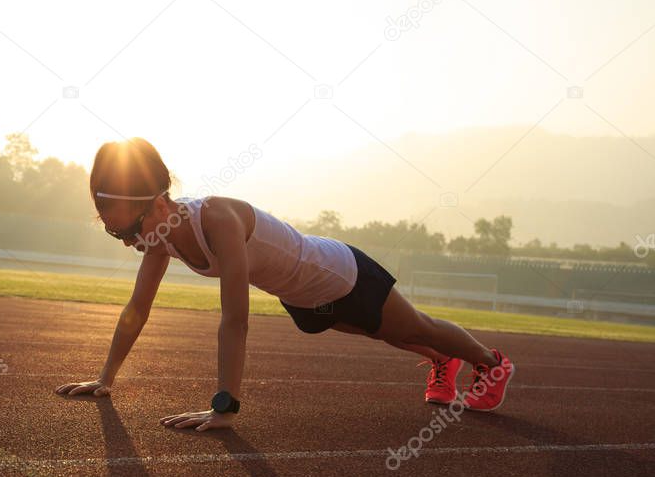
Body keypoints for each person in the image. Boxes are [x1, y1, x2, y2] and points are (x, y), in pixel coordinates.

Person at [54, 138, 515, 431]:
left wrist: (225, 406)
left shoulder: (219, 218)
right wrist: (105, 378)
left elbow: (234, 321)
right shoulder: (158, 239)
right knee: (388, 334)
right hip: (302, 298)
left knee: (418, 327)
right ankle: (442, 361)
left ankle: (492, 364)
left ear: (156, 203)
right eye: (117, 234)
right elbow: (138, 308)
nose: (128, 241)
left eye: (129, 228)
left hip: (340, 273)